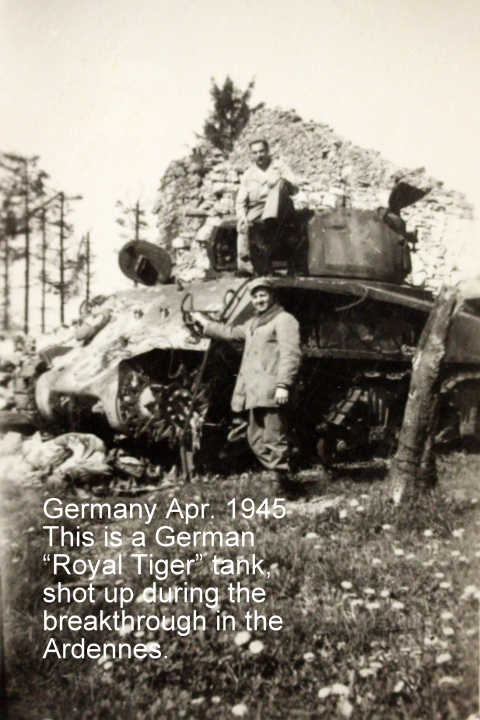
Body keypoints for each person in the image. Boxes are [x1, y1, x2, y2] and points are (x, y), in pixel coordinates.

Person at [191, 277, 301, 482]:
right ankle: (281, 476)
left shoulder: (284, 320)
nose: (259, 300)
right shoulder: (253, 323)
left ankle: (283, 484)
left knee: (274, 438)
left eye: (263, 295)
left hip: (272, 389)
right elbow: (230, 332)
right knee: (255, 439)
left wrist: (283, 385)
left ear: (272, 297)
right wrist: (206, 324)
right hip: (255, 392)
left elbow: (291, 354)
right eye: (256, 296)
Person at [235, 138, 298, 275]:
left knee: (280, 183)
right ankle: (247, 267)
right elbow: (240, 202)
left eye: (262, 151)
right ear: (251, 155)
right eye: (255, 153)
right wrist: (242, 217)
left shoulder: (279, 167)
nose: (259, 155)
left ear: (268, 151)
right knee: (242, 226)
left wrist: (281, 182)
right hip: (258, 207)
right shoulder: (248, 175)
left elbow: (295, 188)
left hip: (282, 207)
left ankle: (270, 220)